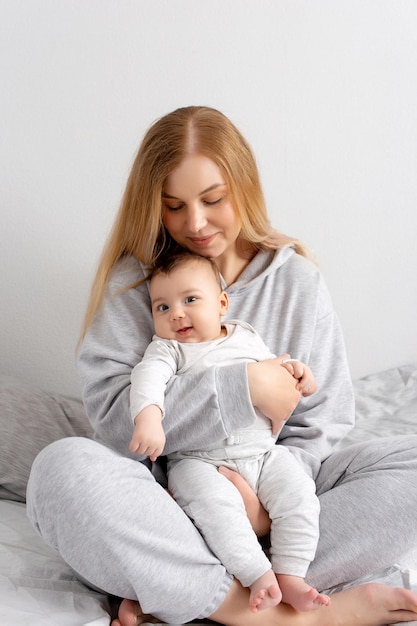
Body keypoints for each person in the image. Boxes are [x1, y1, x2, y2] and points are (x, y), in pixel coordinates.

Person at [26, 105, 417, 626]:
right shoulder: (136, 283)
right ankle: (271, 612)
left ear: (244, 187)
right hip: (172, 500)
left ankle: (186, 587)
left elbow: (322, 422)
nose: (196, 223)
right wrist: (243, 388)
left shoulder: (295, 281)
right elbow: (120, 428)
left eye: (213, 199)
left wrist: (260, 510)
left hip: (277, 491)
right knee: (60, 470)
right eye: (173, 206)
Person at [129, 250, 329, 613]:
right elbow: (146, 381)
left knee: (300, 494)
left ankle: (291, 572)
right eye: (162, 307)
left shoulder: (245, 335)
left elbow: (276, 368)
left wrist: (300, 372)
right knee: (214, 507)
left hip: (263, 453)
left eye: (190, 299)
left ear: (222, 303)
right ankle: (255, 574)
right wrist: (149, 418)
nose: (176, 313)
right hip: (198, 461)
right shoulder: (168, 350)